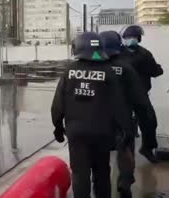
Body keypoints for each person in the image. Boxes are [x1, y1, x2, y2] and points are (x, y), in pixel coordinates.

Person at [51, 32, 132, 198]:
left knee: (80, 174)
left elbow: (58, 104)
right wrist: (126, 130)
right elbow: (119, 105)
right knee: (102, 172)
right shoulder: (108, 71)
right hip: (102, 133)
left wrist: (58, 127)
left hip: (76, 133)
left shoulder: (70, 71)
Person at [100, 31, 159, 198]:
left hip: (108, 109)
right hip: (125, 106)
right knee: (125, 143)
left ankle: (121, 180)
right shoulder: (122, 62)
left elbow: (156, 71)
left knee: (139, 131)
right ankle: (124, 180)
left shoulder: (144, 54)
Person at [120, 25, 162, 162]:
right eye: (127, 37)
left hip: (140, 95)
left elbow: (155, 71)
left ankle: (147, 148)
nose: (130, 39)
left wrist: (157, 69)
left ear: (138, 38)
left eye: (133, 37)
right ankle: (119, 149)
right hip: (122, 96)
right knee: (122, 125)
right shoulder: (117, 53)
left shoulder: (145, 54)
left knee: (150, 122)